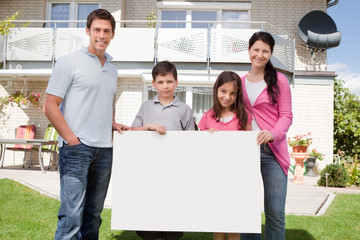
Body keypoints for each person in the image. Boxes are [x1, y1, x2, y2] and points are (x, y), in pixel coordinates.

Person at [44, 9, 129, 240]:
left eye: (107, 31)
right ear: (88, 31)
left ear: (112, 35)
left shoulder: (112, 70)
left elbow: (104, 101)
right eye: (97, 30)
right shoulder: (68, 63)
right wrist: (72, 139)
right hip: (76, 149)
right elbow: (50, 106)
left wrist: (112, 123)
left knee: (93, 215)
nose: (102, 35)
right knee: (71, 216)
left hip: (104, 150)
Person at [132, 60, 195, 240]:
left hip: (175, 172)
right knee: (150, 221)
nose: (165, 86)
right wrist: (149, 127)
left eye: (169, 81)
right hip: (149, 170)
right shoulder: (146, 106)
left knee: (171, 222)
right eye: (160, 82)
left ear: (176, 82)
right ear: (153, 84)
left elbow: (190, 141)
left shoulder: (184, 109)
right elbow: (132, 132)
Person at [240, 31, 293, 240]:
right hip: (246, 152)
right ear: (249, 51)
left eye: (265, 51)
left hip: (273, 153)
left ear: (270, 53)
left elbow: (287, 116)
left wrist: (273, 133)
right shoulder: (239, 81)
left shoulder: (279, 81)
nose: (260, 55)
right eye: (256, 50)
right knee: (248, 213)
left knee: (275, 214)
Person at [197, 71, 251, 240]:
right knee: (218, 223)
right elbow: (199, 150)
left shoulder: (244, 116)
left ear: (238, 95)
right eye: (223, 91)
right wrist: (207, 136)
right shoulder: (207, 117)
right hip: (214, 177)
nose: (227, 97)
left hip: (236, 177)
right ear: (216, 91)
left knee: (234, 223)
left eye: (232, 93)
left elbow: (248, 147)